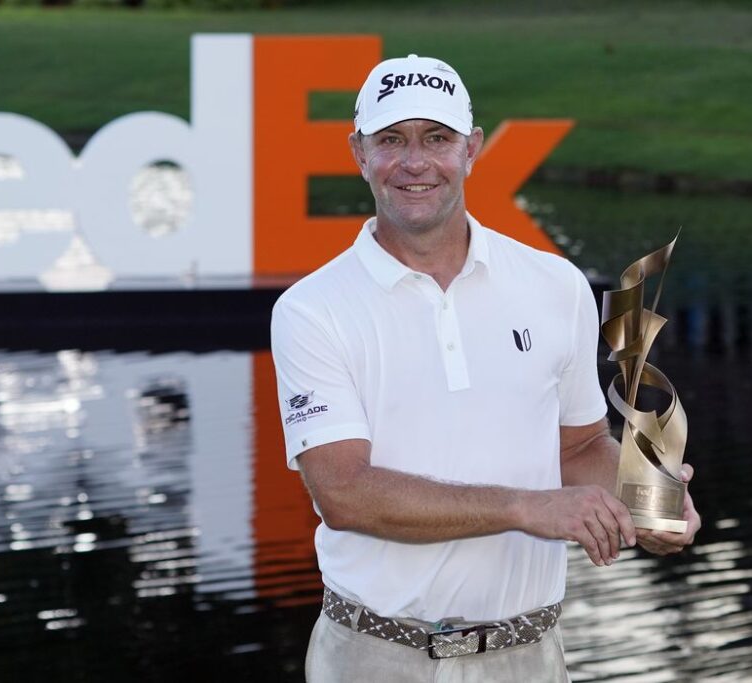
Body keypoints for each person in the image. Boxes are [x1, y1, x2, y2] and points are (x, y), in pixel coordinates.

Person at [269, 54, 702, 681]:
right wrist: (530, 508)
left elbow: (580, 445)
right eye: (391, 139)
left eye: (437, 139)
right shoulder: (312, 309)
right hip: (375, 655)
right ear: (358, 152)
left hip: (527, 654)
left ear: (471, 149)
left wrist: (651, 499)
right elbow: (345, 494)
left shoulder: (556, 285)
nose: (415, 162)